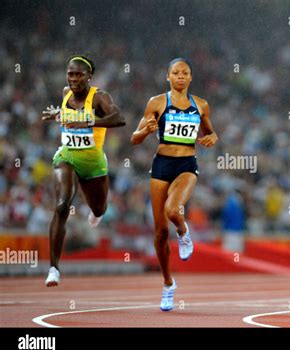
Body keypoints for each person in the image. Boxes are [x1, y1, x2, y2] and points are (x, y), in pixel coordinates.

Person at [131, 58, 218, 311]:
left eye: (185, 73)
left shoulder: (201, 105)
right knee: (159, 234)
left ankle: (183, 232)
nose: (180, 76)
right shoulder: (156, 102)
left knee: (173, 210)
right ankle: (168, 284)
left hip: (186, 166)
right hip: (161, 166)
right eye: (175, 73)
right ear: (167, 77)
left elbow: (211, 132)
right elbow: (134, 139)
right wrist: (146, 131)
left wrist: (212, 137)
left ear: (191, 78)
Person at [41, 55, 125, 286]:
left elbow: (119, 118)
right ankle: (54, 269)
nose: (74, 78)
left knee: (99, 207)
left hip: (93, 163)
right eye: (70, 74)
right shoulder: (64, 94)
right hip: (66, 156)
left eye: (79, 74)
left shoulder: (99, 97)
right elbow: (69, 116)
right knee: (61, 206)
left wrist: (88, 122)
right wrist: (58, 115)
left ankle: (96, 214)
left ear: (89, 76)